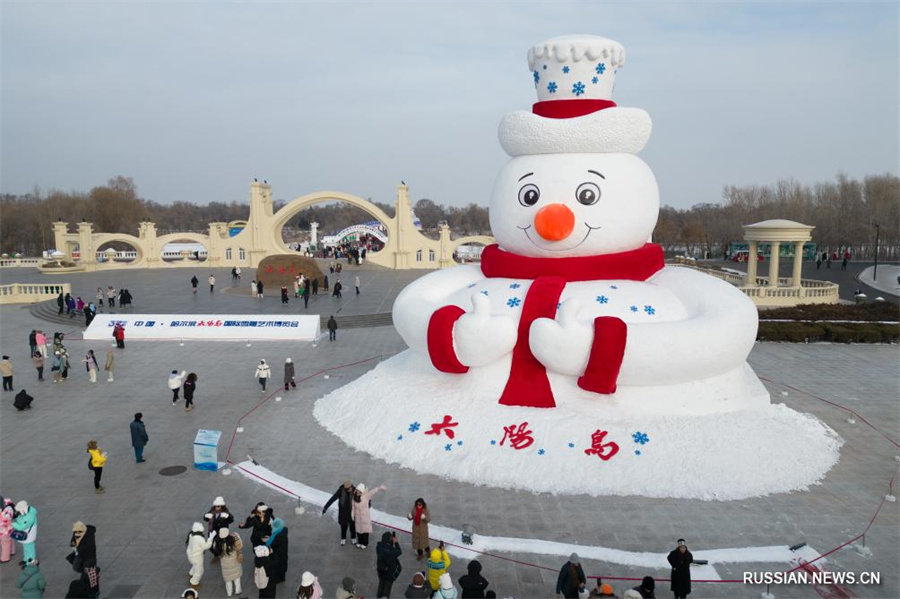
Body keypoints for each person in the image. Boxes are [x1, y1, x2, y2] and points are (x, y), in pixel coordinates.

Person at [351, 483, 386, 549]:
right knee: (358, 531)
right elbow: (353, 507)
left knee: (365, 531)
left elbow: (372, 492)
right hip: (358, 518)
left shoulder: (366, 496)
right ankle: (360, 542)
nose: (358, 492)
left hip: (365, 518)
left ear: (362, 492)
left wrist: (379, 488)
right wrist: (352, 515)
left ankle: (365, 543)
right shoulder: (354, 498)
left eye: (359, 491)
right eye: (357, 491)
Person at [322, 481, 357, 546]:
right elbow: (333, 499)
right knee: (343, 526)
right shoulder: (341, 491)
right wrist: (325, 507)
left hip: (352, 512)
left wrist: (368, 503)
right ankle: (343, 538)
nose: (351, 489)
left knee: (352, 526)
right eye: (349, 489)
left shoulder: (354, 490)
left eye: (351, 487)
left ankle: (353, 537)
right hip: (343, 513)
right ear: (346, 489)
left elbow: (363, 497)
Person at [212, 527, 243, 597]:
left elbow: (214, 548)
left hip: (225, 564)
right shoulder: (233, 539)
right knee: (236, 577)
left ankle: (229, 592)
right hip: (234, 562)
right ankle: (238, 590)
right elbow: (240, 545)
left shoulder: (217, 542)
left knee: (228, 580)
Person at [375, 531, 402, 598]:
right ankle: (385, 596)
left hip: (380, 569)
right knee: (388, 585)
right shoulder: (391, 551)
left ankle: (379, 595)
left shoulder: (378, 546)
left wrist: (391, 542)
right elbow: (399, 551)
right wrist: (396, 542)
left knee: (381, 582)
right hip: (389, 571)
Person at [186, 522, 213, 588]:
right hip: (197, 556)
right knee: (199, 570)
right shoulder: (199, 538)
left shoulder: (191, 534)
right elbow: (205, 546)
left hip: (191, 555)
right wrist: (210, 539)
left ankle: (191, 574)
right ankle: (194, 582)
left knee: (195, 565)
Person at [264, 518, 288, 584]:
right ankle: (282, 578)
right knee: (283, 565)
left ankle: (277, 580)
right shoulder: (283, 530)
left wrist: (267, 541)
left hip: (277, 554)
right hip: (283, 553)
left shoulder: (278, 536)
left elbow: (270, 544)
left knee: (277, 567)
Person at [1, 497, 17, 563]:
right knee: (10, 539)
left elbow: (3, 522)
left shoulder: (4, 513)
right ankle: (12, 551)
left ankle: (5, 558)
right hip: (9, 528)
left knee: (5, 544)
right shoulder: (8, 506)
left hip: (3, 531)